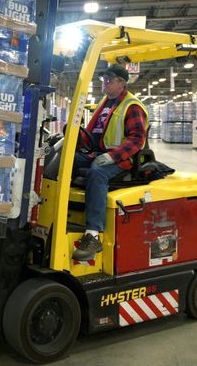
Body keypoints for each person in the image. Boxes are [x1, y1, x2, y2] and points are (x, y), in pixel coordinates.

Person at [73, 64, 148, 260]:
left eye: (109, 80)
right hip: (97, 153)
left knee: (97, 172)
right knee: (63, 160)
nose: (104, 84)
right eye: (103, 80)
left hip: (122, 159)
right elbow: (93, 134)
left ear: (122, 83)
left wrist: (113, 156)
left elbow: (137, 140)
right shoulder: (105, 104)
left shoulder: (132, 106)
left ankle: (93, 234)